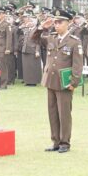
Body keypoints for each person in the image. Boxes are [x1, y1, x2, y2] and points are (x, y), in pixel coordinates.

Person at [33, 8, 83, 153]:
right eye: (55, 22)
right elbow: (34, 39)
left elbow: (77, 65)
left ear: (69, 23)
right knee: (53, 112)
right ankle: (55, 141)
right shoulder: (51, 37)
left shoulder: (74, 42)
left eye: (60, 22)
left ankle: (64, 143)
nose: (56, 25)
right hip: (50, 80)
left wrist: (73, 83)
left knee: (64, 114)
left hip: (64, 83)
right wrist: (42, 27)